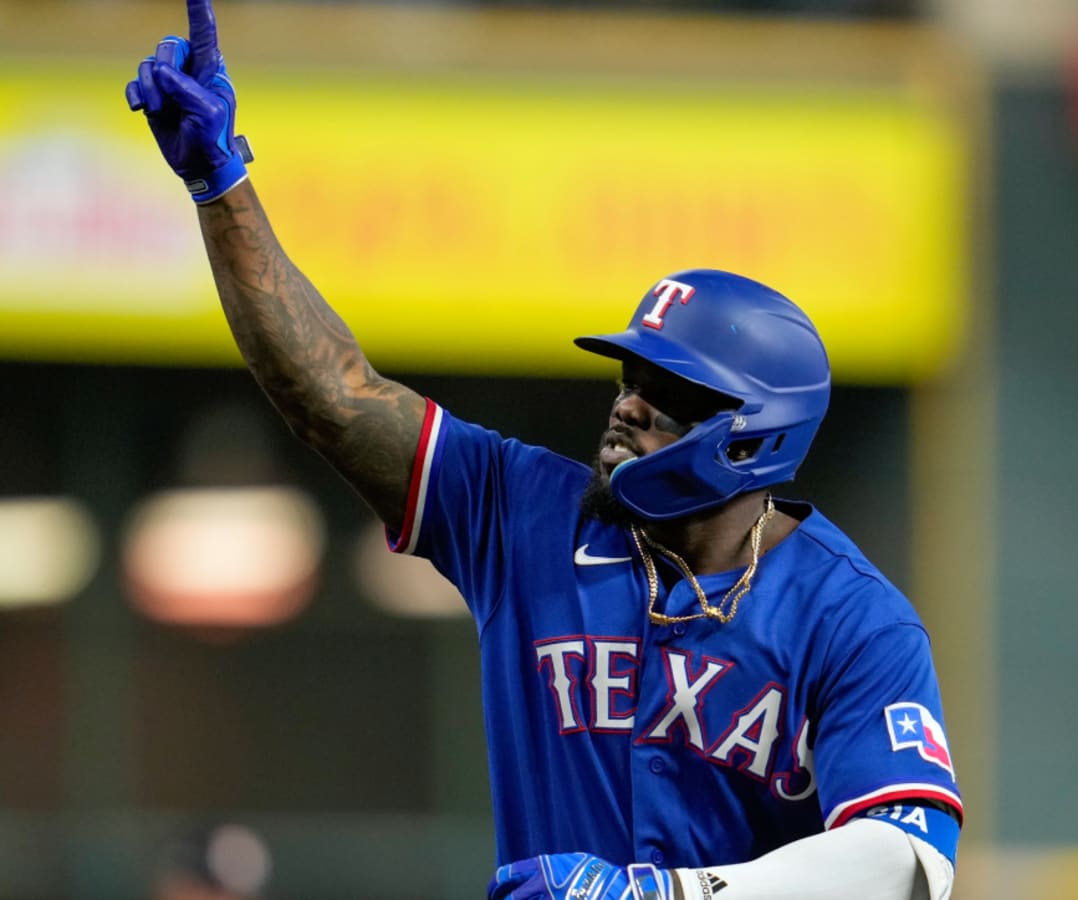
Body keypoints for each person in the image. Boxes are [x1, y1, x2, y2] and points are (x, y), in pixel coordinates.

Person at [127, 3, 964, 898]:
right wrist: (222, 187)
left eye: (669, 395)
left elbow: (906, 865)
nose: (630, 407)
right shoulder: (525, 512)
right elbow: (333, 396)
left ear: (754, 433)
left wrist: (665, 896)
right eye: (629, 379)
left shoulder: (853, 619)